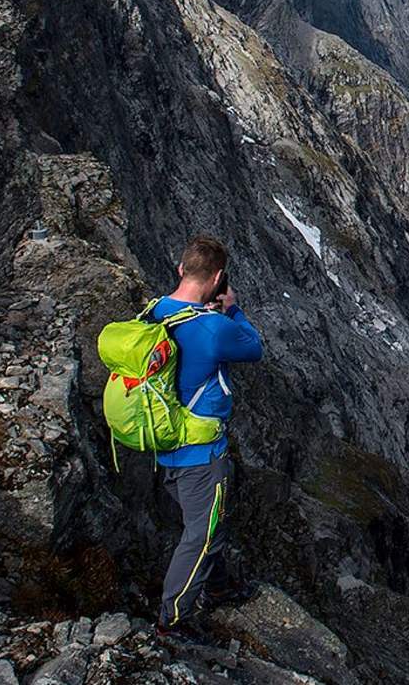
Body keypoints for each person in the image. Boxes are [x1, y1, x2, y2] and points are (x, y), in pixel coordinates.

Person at [151, 234, 263, 637]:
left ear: (181, 269)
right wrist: (232, 310)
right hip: (201, 452)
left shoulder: (153, 313)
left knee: (201, 524)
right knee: (203, 535)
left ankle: (216, 586)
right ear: (217, 278)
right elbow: (253, 347)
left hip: (164, 443)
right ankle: (174, 618)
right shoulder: (215, 328)